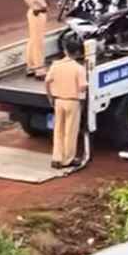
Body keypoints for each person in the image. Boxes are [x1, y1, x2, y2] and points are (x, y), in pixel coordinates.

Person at [44, 38, 87, 169]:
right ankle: (68, 159)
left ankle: (56, 158)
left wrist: (50, 97)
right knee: (70, 131)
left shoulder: (55, 65)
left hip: (58, 101)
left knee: (58, 130)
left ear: (65, 51)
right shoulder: (79, 68)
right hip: (72, 102)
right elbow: (82, 87)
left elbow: (47, 81)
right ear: (78, 52)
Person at [23, 0, 52, 79]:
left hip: (40, 11)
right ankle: (39, 69)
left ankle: (30, 66)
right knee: (38, 42)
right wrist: (34, 7)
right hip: (37, 13)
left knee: (33, 40)